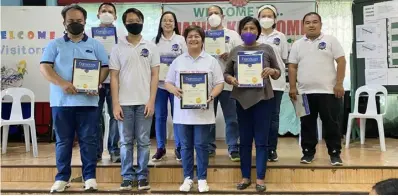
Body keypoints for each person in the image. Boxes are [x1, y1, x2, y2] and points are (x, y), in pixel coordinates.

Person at [40, 4, 109, 193]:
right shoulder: (54, 45)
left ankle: (90, 178)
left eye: (79, 21)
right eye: (71, 21)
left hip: (88, 103)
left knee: (89, 141)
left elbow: (104, 68)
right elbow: (45, 68)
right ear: (64, 22)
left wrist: (96, 83)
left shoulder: (95, 45)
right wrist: (62, 83)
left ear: (85, 22)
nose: (75, 24)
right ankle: (62, 178)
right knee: (63, 141)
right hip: (61, 103)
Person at [164, 25, 224, 193]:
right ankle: (188, 178)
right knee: (185, 147)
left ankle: (203, 178)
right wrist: (174, 89)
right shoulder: (178, 61)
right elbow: (167, 82)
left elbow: (219, 83)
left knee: (201, 145)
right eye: (190, 36)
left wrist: (211, 95)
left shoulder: (211, 61)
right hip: (183, 114)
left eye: (197, 36)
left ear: (202, 39)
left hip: (203, 113)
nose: (193, 39)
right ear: (185, 39)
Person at [224, 16, 280, 192]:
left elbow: (278, 72)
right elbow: (226, 73)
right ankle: (245, 176)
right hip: (242, 100)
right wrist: (231, 78)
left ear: (258, 31)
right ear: (240, 31)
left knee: (262, 140)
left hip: (263, 99)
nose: (249, 32)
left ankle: (261, 178)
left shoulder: (267, 48)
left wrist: (271, 70)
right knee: (245, 140)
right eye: (245, 29)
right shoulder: (235, 51)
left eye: (252, 29)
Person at [109, 8, 159, 190]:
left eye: (136, 20)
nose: (133, 23)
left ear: (142, 21)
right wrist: (115, 103)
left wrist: (152, 100)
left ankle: (143, 175)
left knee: (144, 141)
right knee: (125, 141)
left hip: (145, 102)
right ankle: (127, 176)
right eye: (130, 21)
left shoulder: (151, 46)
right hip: (124, 103)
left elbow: (155, 76)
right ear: (124, 24)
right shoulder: (117, 47)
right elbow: (113, 77)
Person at [288, 12, 346, 166]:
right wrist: (293, 87)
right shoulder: (297, 44)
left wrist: (339, 83)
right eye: (307, 22)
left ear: (321, 24)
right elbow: (292, 67)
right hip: (304, 93)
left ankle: (335, 154)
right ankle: (308, 153)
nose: (311, 25)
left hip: (329, 92)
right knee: (306, 124)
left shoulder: (331, 40)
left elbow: (341, 61)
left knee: (331, 124)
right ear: (303, 25)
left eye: (315, 22)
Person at [206, 5, 241, 161]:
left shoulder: (232, 35)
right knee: (207, 118)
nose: (213, 16)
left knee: (232, 118)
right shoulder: (203, 36)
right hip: (207, 86)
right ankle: (208, 147)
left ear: (222, 16)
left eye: (216, 13)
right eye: (210, 14)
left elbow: (243, 57)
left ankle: (233, 148)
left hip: (227, 83)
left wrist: (231, 57)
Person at [151, 11, 187, 162]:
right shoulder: (154, 41)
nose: (167, 23)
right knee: (160, 116)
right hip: (159, 85)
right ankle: (161, 147)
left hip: (176, 86)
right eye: (165, 20)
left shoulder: (181, 40)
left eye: (170, 20)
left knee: (177, 116)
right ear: (160, 23)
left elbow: (186, 59)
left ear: (175, 23)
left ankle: (179, 147)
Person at [90, 2, 121, 163]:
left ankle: (114, 150)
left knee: (116, 117)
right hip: (95, 84)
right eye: (104, 11)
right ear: (98, 14)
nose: (107, 13)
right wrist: (94, 80)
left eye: (110, 11)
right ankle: (96, 152)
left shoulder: (122, 35)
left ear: (115, 16)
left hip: (116, 82)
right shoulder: (89, 34)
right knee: (95, 118)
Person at [257, 4, 288, 162]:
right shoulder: (254, 36)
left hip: (276, 84)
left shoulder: (280, 36)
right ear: (258, 18)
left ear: (275, 19)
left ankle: (271, 149)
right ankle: (260, 148)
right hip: (256, 84)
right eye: (263, 16)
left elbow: (283, 60)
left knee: (273, 117)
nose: (266, 19)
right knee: (259, 117)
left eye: (270, 16)